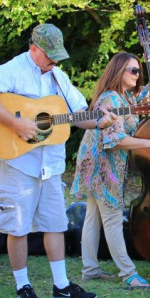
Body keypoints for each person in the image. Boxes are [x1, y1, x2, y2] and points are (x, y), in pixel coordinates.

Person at [0, 24, 116, 298]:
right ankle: (22, 287)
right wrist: (16, 124)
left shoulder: (59, 78)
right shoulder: (11, 70)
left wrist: (100, 121)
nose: (54, 61)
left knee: (55, 224)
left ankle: (62, 286)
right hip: (18, 161)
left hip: (51, 164)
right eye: (49, 55)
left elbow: (79, 114)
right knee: (18, 226)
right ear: (34, 49)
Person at [71, 52, 150, 287]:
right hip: (103, 167)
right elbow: (115, 139)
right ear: (118, 72)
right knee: (113, 217)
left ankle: (90, 269)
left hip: (97, 164)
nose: (137, 75)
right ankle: (128, 273)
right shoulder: (111, 100)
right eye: (133, 70)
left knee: (93, 217)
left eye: (138, 70)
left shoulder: (123, 98)